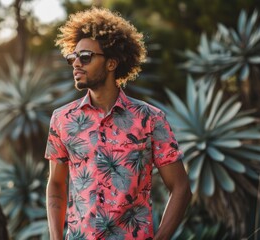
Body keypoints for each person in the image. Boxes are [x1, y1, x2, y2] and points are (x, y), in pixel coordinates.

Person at [45, 7, 192, 240]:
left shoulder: (150, 118)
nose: (76, 64)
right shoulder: (62, 119)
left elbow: (181, 188)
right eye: (73, 57)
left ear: (111, 64)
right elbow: (55, 184)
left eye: (85, 57)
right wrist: (55, 238)